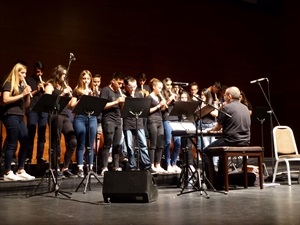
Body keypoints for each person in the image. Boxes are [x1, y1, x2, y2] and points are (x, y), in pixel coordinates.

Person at [203, 86, 251, 189]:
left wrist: (210, 130)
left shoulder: (227, 108)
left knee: (205, 151)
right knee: (221, 154)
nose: (224, 97)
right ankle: (220, 183)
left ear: (229, 96)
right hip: (245, 141)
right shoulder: (245, 108)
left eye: (225, 95)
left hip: (231, 141)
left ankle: (212, 182)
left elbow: (218, 127)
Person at [1, 63, 35, 181]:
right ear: (16, 72)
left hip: (20, 116)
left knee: (25, 141)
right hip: (10, 115)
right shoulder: (9, 83)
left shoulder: (21, 86)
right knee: (12, 142)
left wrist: (27, 95)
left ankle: (20, 169)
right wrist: (22, 94)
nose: (24, 76)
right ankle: (7, 171)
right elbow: (5, 99)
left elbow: (26, 106)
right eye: (22, 73)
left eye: (25, 73)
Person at [44, 65, 77, 178]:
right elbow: (47, 101)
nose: (64, 77)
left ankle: (65, 167)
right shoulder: (50, 85)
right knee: (55, 143)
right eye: (63, 75)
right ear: (57, 74)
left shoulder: (65, 86)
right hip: (54, 115)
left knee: (73, 141)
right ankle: (55, 168)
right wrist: (62, 94)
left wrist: (70, 96)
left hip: (65, 115)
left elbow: (69, 106)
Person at [69, 70, 97, 178]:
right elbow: (72, 106)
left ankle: (90, 168)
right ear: (81, 79)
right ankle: (80, 168)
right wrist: (82, 98)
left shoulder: (94, 91)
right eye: (84, 78)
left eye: (88, 79)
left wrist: (91, 97)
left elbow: (97, 106)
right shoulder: (77, 90)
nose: (86, 81)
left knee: (90, 145)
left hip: (92, 118)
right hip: (80, 118)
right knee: (81, 144)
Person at [122, 76, 153, 172]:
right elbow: (123, 111)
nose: (133, 88)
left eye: (134, 86)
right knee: (130, 146)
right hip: (128, 123)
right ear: (126, 86)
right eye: (131, 87)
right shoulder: (124, 96)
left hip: (138, 122)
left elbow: (144, 108)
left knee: (143, 144)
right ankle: (132, 166)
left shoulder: (139, 95)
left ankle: (147, 165)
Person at [99, 72, 126, 175]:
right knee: (108, 142)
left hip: (118, 120)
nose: (120, 86)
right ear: (113, 81)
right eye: (118, 83)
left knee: (117, 144)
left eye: (121, 84)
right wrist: (116, 101)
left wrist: (122, 102)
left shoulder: (119, 92)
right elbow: (102, 106)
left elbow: (121, 108)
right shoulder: (106, 90)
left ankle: (116, 166)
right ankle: (105, 166)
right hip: (108, 119)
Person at [25, 61, 48, 164]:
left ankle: (40, 157)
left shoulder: (44, 81)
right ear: (34, 70)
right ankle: (28, 157)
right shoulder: (28, 80)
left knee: (42, 134)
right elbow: (27, 95)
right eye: (38, 72)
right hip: (32, 109)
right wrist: (36, 90)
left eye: (41, 72)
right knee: (31, 133)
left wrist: (45, 89)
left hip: (43, 110)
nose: (40, 74)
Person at [146, 78, 167, 173]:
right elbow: (147, 111)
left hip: (160, 121)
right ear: (153, 87)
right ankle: (151, 165)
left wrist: (163, 105)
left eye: (161, 88)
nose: (160, 90)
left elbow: (161, 110)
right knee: (153, 144)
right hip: (152, 121)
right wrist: (158, 106)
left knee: (160, 144)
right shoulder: (148, 98)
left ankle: (158, 164)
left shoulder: (158, 97)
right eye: (159, 88)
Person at [161, 77, 181, 173]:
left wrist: (177, 100)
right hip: (167, 119)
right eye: (168, 85)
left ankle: (174, 163)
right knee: (168, 143)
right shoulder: (162, 94)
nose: (170, 86)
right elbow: (162, 109)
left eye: (170, 84)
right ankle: (168, 164)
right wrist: (169, 100)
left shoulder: (174, 94)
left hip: (176, 119)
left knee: (178, 142)